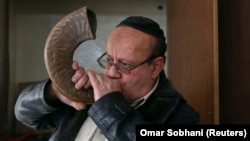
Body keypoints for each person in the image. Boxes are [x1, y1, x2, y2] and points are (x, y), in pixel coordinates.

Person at [14, 16, 200, 141]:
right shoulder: (88, 91)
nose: (111, 73)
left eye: (124, 64)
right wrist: (55, 92)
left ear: (156, 67)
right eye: (109, 60)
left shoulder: (182, 117)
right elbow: (24, 115)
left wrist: (108, 105)